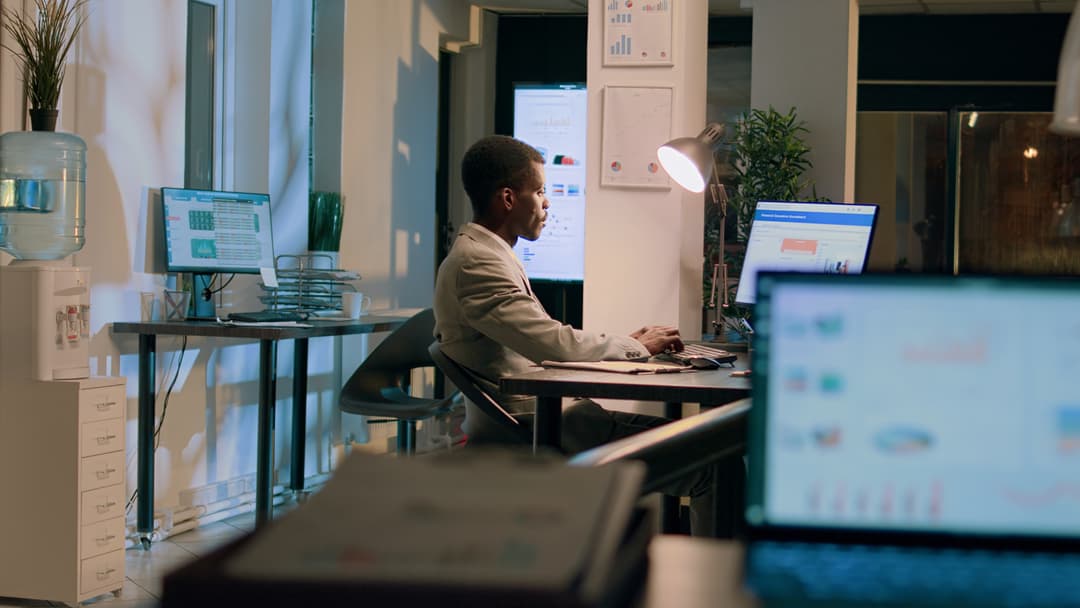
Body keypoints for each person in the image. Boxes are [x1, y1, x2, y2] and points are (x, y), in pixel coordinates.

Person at [433, 134, 715, 536]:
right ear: (508, 199)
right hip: (539, 428)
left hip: (550, 417)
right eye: (541, 191)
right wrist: (635, 347)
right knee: (714, 465)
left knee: (708, 447)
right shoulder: (476, 263)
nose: (547, 203)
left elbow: (543, 341)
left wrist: (629, 345)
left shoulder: (486, 253)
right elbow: (553, 343)